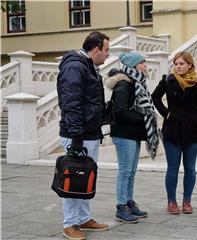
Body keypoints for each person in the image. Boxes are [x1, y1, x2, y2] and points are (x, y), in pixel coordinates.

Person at [57, 31, 110, 240]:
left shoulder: (88, 67)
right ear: (95, 49)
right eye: (106, 50)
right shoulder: (75, 67)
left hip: (88, 133)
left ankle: (83, 218)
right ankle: (69, 224)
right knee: (73, 177)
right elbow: (71, 104)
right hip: (76, 134)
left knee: (86, 177)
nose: (107, 54)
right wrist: (77, 137)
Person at [105, 52, 160, 223]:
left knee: (131, 172)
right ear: (134, 66)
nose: (145, 66)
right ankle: (121, 207)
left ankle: (129, 202)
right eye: (142, 63)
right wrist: (145, 118)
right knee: (125, 171)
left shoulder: (137, 83)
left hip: (132, 133)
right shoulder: (124, 84)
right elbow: (121, 112)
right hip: (123, 134)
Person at [151, 52, 197, 215]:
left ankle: (187, 201)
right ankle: (171, 201)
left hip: (192, 129)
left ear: (190, 65)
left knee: (190, 168)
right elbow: (155, 97)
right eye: (176, 64)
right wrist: (166, 113)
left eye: (182, 63)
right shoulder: (167, 80)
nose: (178, 66)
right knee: (173, 167)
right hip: (172, 129)